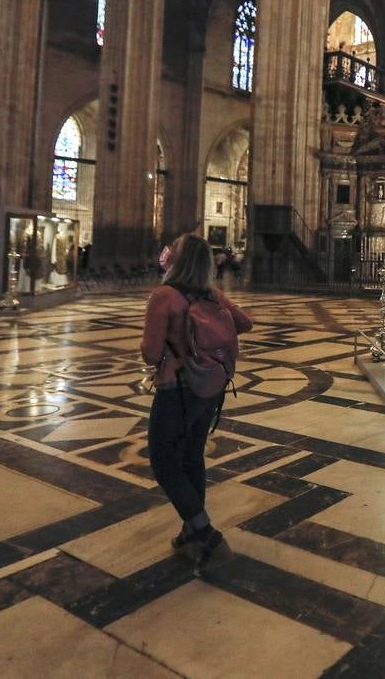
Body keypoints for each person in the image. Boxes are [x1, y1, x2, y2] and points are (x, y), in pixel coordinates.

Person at [140, 234, 253, 569]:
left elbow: (149, 352)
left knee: (164, 462)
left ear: (177, 259)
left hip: (177, 388)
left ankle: (205, 533)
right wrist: (209, 344)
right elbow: (245, 323)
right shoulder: (212, 294)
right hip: (211, 387)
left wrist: (180, 347)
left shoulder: (164, 296)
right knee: (191, 456)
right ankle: (190, 532)